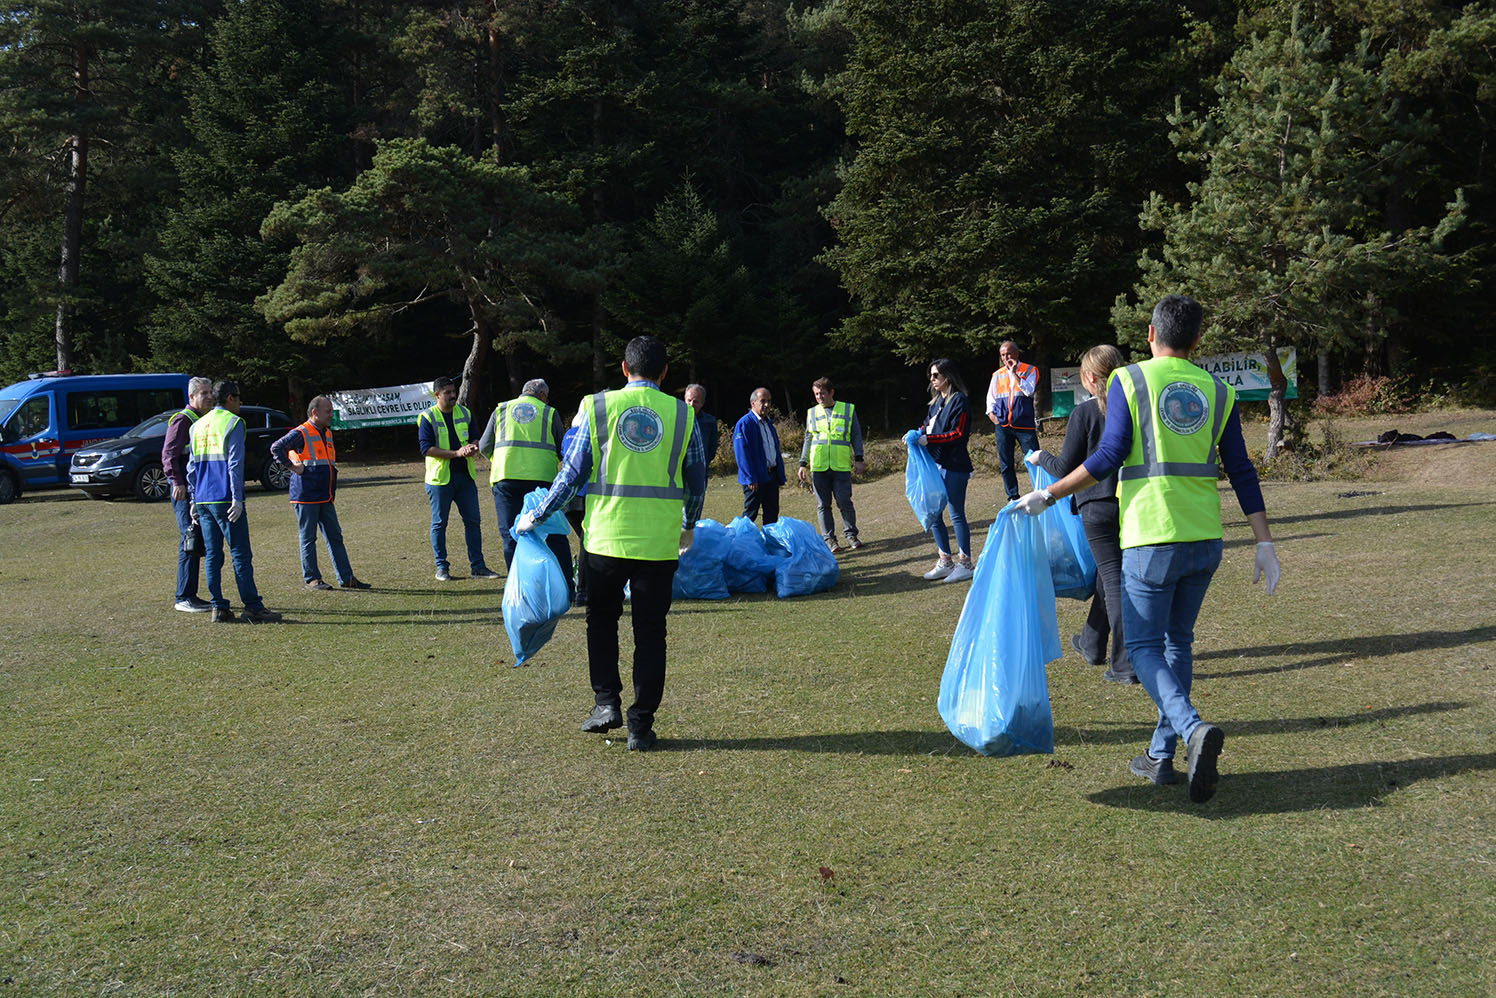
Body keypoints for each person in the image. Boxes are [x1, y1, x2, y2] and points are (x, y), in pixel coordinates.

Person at [1016, 295, 1281, 804]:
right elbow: (1242, 471)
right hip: (1205, 538)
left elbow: (1110, 455)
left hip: (1151, 535)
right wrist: (1264, 541)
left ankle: (1192, 729)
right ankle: (1161, 756)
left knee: (1141, 646)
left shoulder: (1129, 380)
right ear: (1198, 342)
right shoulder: (1220, 391)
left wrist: (1049, 493)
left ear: (1151, 336)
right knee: (1178, 643)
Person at [516, 335, 707, 752]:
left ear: (623, 369)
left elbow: (572, 473)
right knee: (651, 633)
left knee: (601, 622)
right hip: (658, 543)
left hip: (603, 539)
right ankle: (641, 725)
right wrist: (689, 523)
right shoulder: (683, 414)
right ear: (665, 373)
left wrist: (540, 513)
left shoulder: (597, 406)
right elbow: (696, 479)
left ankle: (606, 704)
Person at [1025, 346, 1135, 684]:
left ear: (1089, 378)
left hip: (1097, 507)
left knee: (1114, 580)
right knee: (1107, 576)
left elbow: (1063, 469)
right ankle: (1092, 642)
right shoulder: (1133, 409)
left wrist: (1039, 456)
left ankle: (1126, 663)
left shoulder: (1084, 414)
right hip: (1130, 503)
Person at [187, 380, 282, 623]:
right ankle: (252, 606)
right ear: (230, 398)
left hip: (204, 498)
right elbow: (235, 463)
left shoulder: (197, 425)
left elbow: (192, 466)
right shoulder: (233, 422)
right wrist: (237, 498)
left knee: (212, 555)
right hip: (226, 498)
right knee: (240, 553)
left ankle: (218, 607)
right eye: (238, 397)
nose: (240, 402)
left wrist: (194, 499)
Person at [478, 378, 571, 589]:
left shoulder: (501, 409)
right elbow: (563, 448)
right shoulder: (549, 412)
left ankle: (519, 589)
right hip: (542, 479)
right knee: (553, 532)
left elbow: (484, 445)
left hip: (506, 477)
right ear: (542, 396)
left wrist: (498, 459)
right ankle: (567, 587)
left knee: (512, 534)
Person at [270, 395, 370, 591]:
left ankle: (347, 578)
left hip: (325, 495)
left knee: (335, 537)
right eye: (328, 412)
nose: (331, 415)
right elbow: (277, 448)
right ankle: (312, 579)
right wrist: (292, 467)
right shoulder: (301, 432)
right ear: (315, 413)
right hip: (306, 496)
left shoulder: (327, 433)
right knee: (308, 538)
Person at [417, 375, 497, 582]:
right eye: (448, 393)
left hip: (465, 477)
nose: (453, 396)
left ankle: (478, 567)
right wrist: (456, 453)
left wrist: (474, 446)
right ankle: (442, 568)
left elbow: (476, 437)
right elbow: (426, 449)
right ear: (437, 395)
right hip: (440, 480)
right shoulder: (427, 417)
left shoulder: (465, 413)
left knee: (473, 522)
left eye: (454, 391)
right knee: (439, 524)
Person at [917, 358, 975, 583]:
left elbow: (958, 434)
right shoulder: (934, 403)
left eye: (936, 376)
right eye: (931, 376)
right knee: (934, 513)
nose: (932, 380)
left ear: (947, 377)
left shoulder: (959, 401)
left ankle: (966, 563)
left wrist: (928, 439)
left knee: (956, 513)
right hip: (935, 465)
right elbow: (926, 426)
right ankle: (945, 560)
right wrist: (915, 435)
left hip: (955, 465)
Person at [162, 376, 214, 612]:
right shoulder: (183, 420)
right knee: (190, 539)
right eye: (203, 393)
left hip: (199, 489)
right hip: (184, 491)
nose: (209, 396)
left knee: (197, 539)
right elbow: (169, 454)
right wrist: (177, 482)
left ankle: (190, 594)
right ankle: (184, 597)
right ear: (191, 397)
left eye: (210, 392)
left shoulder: (204, 419)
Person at [797, 376, 865, 552]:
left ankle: (851, 535)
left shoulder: (848, 409)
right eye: (816, 394)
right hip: (819, 467)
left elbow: (856, 435)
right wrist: (802, 463)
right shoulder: (811, 413)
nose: (819, 397)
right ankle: (830, 540)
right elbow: (808, 438)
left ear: (831, 392)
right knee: (823, 505)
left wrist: (859, 458)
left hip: (840, 465)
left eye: (822, 393)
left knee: (844, 502)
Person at [986, 339, 1041, 501]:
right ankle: (1012, 496)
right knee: (1006, 464)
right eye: (1003, 355)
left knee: (1034, 460)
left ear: (1017, 353)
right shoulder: (997, 375)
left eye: (1009, 353)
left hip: (1024, 425)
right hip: (1003, 425)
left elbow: (1028, 391)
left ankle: (1041, 492)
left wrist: (1014, 373)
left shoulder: (1030, 370)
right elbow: (991, 398)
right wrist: (992, 416)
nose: (1006, 357)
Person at [732, 387, 785, 524]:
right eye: (763, 401)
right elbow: (741, 453)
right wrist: (750, 478)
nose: (767, 404)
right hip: (755, 478)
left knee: (772, 513)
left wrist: (780, 474)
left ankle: (770, 543)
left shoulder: (769, 424)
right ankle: (742, 543)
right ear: (753, 403)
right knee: (750, 514)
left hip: (771, 475)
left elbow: (774, 450)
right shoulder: (745, 424)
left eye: (769, 401)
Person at [684, 383, 719, 467]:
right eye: (689, 400)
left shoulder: (710, 421)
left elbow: (712, 448)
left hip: (700, 468)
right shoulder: (677, 419)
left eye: (695, 401)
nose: (691, 404)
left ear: (702, 403)